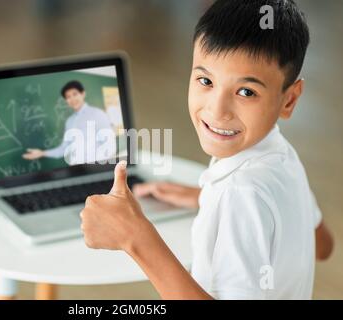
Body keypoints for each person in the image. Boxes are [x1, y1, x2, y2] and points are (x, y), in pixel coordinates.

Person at [79, 0, 334, 299]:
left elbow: (249, 200)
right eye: (205, 80)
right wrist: (208, 199)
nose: (217, 109)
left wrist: (135, 237)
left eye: (246, 91)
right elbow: (322, 244)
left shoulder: (240, 192)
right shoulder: (282, 156)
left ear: (289, 100)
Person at [22, 80, 116, 165]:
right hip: (77, 169)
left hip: (96, 168)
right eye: (68, 97)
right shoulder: (69, 122)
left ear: (83, 94)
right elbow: (64, 149)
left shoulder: (97, 114)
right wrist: (42, 153)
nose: (72, 99)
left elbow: (109, 145)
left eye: (75, 94)